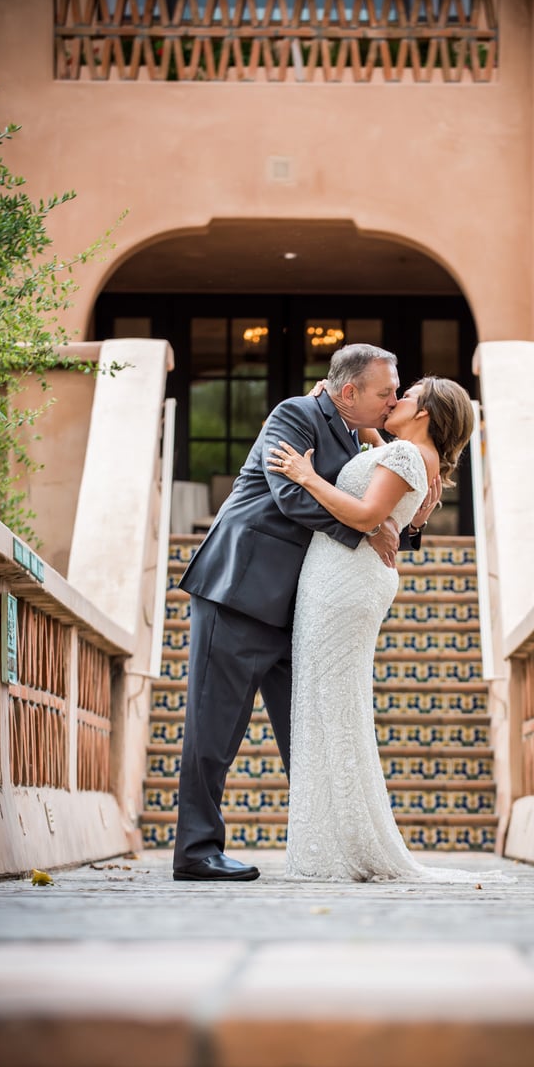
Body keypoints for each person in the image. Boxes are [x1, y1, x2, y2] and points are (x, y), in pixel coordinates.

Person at [172, 344, 439, 882]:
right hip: (240, 591)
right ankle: (196, 851)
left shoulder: (359, 434)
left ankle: (333, 847)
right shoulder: (294, 414)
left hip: (304, 610)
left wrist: (400, 519)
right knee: (214, 728)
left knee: (312, 732)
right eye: (386, 392)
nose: (393, 401)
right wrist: (365, 529)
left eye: (397, 393)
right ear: (349, 392)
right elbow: (290, 496)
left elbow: (379, 506)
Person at [267, 376, 503, 883]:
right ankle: (339, 838)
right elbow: (381, 469)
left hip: (345, 581)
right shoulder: (408, 453)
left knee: (332, 703)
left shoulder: (407, 456)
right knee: (330, 702)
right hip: (343, 577)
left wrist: (305, 475)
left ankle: (344, 843)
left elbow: (366, 514)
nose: (395, 400)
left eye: (406, 396)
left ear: (424, 413)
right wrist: (348, 406)